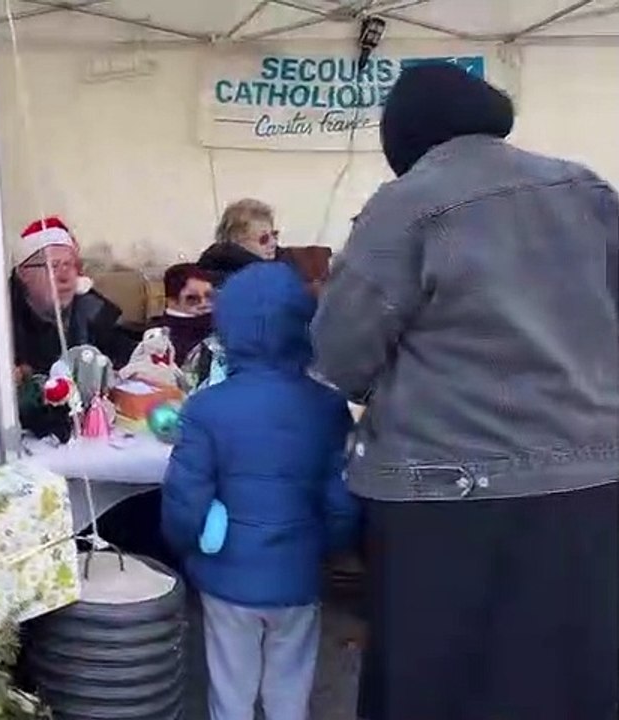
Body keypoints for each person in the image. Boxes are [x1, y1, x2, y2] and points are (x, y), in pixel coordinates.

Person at [310, 62, 619, 720]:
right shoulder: (586, 187)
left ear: (405, 137)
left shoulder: (409, 203)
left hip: (445, 497)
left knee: (440, 684)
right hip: (590, 485)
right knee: (569, 676)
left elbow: (341, 350)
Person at [162, 262, 359, 720]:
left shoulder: (207, 408)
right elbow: (341, 501)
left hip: (227, 573)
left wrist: (187, 549)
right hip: (298, 573)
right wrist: (327, 548)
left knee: (230, 690)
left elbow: (185, 501)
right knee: (290, 689)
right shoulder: (329, 407)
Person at [9, 216, 133, 377]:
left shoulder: (91, 310)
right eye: (53, 266)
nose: (64, 276)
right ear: (23, 272)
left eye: (69, 265)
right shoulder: (3, 319)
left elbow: (126, 354)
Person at [147, 263, 219, 364]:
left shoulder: (223, 322)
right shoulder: (161, 338)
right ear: (172, 301)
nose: (204, 303)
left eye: (209, 296)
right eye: (192, 299)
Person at [195, 198, 278, 278]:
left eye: (274, 234)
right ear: (237, 241)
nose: (273, 243)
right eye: (264, 238)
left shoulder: (282, 264)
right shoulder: (216, 277)